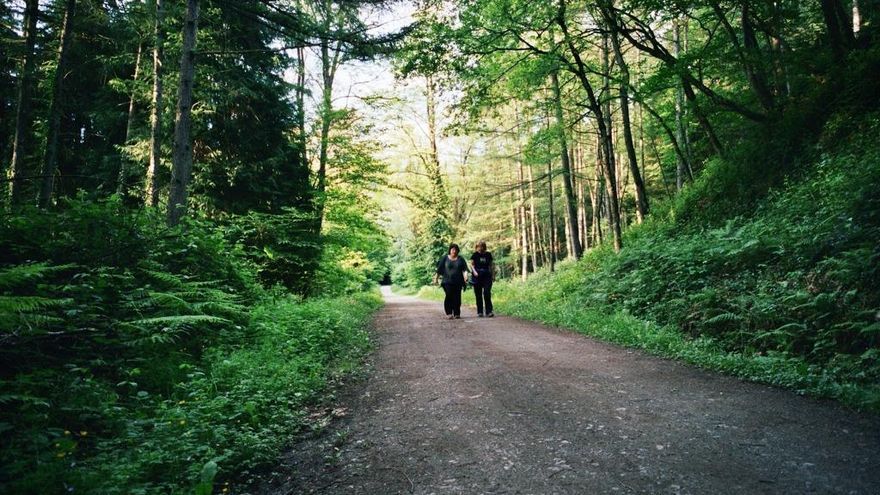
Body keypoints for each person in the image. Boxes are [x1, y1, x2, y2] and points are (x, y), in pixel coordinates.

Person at [433, 243, 469, 319]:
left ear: (457, 251)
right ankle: (449, 312)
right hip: (447, 281)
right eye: (452, 249)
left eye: (455, 249)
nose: (454, 251)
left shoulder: (460, 259)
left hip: (458, 282)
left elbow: (465, 269)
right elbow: (439, 269)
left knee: (457, 297)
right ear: (450, 250)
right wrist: (436, 278)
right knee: (449, 295)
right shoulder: (445, 258)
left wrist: (465, 277)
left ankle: (456, 313)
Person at [469, 240, 495, 317]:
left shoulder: (488, 255)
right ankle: (480, 311)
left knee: (487, 293)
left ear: (484, 247)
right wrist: (474, 272)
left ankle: (489, 311)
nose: (480, 248)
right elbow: (472, 265)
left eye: (481, 246)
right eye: (478, 247)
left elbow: (491, 266)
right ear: (476, 247)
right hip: (477, 276)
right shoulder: (475, 255)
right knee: (478, 294)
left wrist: (493, 275)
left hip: (487, 276)